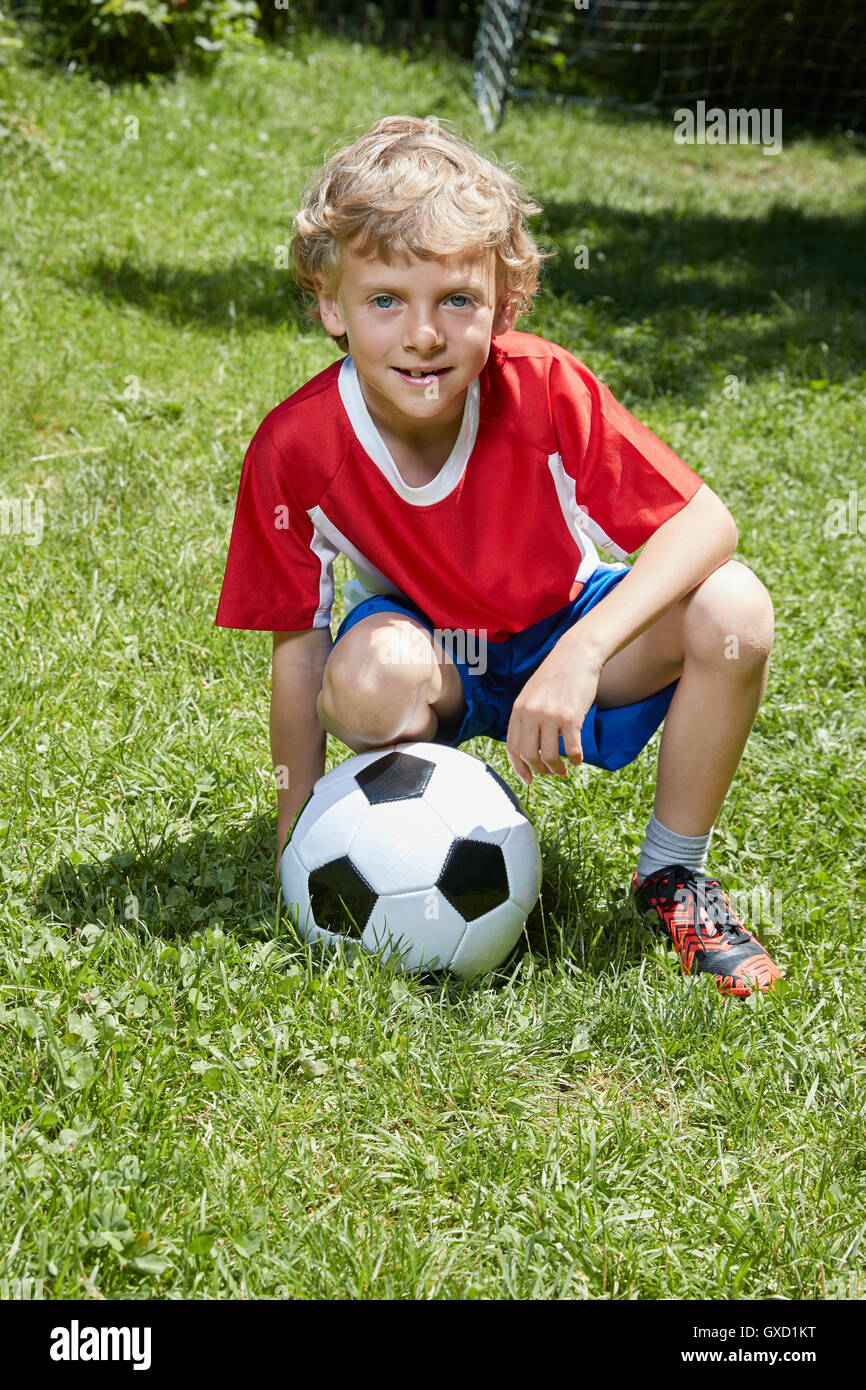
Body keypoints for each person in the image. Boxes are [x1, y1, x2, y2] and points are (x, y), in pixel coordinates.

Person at [215, 115, 782, 998]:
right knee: (365, 677)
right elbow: (297, 645)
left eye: (457, 300)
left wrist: (582, 653)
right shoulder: (297, 447)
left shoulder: (545, 389)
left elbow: (706, 523)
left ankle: (675, 873)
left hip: (567, 626)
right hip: (430, 659)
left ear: (503, 304)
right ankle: (397, 830)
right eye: (385, 301)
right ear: (331, 303)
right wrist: (295, 835)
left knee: (735, 610)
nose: (423, 335)